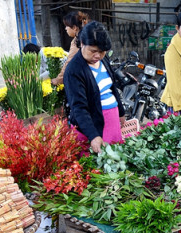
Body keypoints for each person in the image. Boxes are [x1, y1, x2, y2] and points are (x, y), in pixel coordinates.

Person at [64, 21, 126, 152]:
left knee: (115, 160)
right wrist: (93, 135)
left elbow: (112, 87)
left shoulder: (103, 60)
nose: (97, 55)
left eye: (101, 52)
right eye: (93, 51)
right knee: (96, 165)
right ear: (81, 44)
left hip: (112, 120)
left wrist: (120, 112)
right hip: (91, 125)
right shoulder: (74, 70)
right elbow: (78, 107)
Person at [51, 11, 90, 85]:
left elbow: (70, 63)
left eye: (67, 26)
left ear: (74, 27)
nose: (66, 29)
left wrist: (58, 80)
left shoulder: (77, 41)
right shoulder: (87, 35)